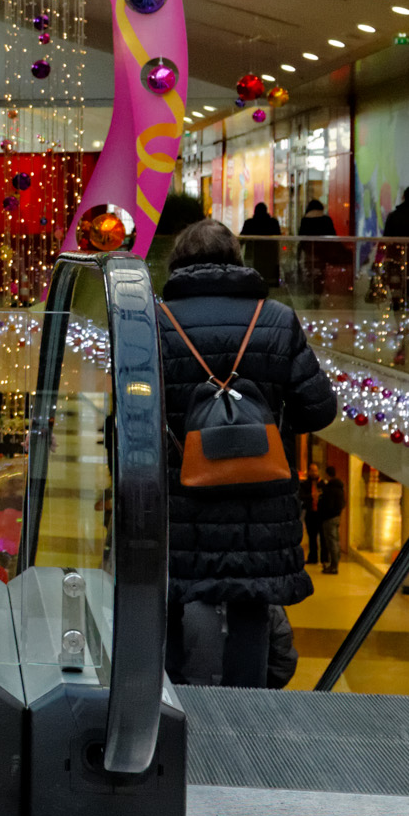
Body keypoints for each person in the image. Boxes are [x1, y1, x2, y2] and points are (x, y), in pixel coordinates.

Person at [156, 218, 337, 688]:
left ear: (177, 264)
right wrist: (265, 427)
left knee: (178, 595)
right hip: (261, 499)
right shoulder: (276, 319)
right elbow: (318, 411)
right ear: (238, 261)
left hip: (180, 498)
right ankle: (246, 714)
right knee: (252, 604)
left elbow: (134, 418)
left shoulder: (155, 322)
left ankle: (178, 708)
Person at [239, 199, 282, 286]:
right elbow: (279, 238)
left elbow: (241, 240)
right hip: (271, 258)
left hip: (253, 259)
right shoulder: (273, 223)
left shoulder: (249, 223)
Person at [314, 462, 346, 573]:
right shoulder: (340, 488)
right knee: (335, 540)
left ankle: (334, 566)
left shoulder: (330, 489)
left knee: (331, 541)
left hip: (329, 518)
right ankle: (335, 563)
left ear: (327, 474)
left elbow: (327, 504)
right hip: (336, 516)